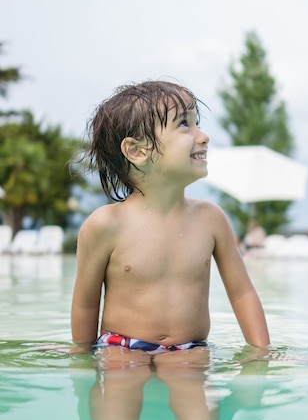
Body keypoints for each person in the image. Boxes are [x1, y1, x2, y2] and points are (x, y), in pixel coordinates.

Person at [71, 80, 270, 356]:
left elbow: (242, 293)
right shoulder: (106, 225)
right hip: (121, 347)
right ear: (137, 151)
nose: (203, 136)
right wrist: (81, 356)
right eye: (184, 124)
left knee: (193, 388)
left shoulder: (211, 219)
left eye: (196, 122)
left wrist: (262, 352)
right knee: (119, 387)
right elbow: (86, 303)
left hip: (190, 349)